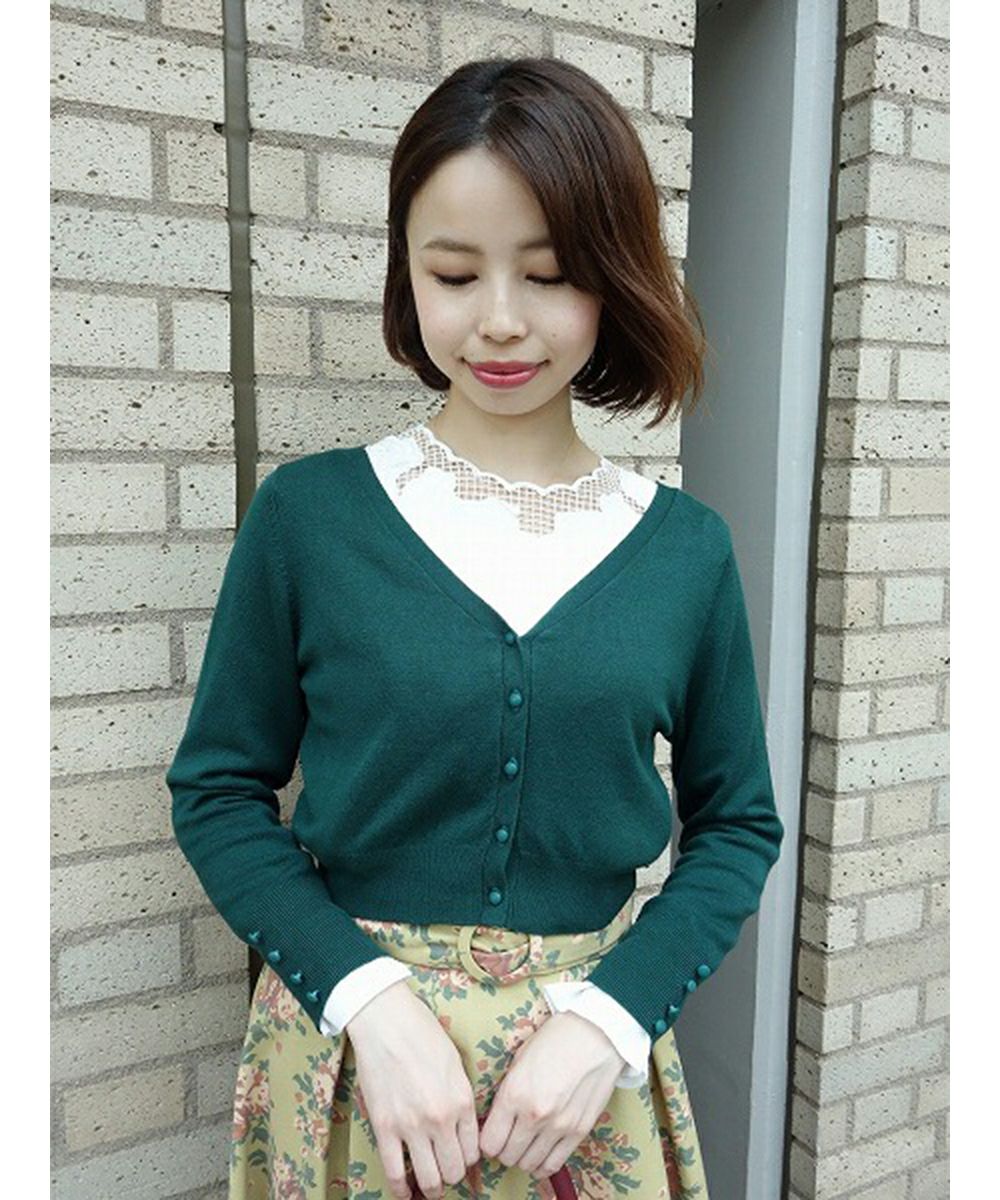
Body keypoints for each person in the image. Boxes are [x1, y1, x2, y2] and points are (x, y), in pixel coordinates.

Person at [165, 57, 785, 1200]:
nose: (500, 320)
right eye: (453, 273)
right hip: (354, 1076)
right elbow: (217, 789)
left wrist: (610, 1020)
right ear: (406, 276)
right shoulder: (309, 519)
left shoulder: (684, 552)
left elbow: (738, 823)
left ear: (613, 278)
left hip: (583, 1097)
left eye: (549, 275)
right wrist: (368, 1001)